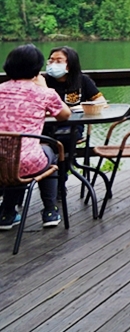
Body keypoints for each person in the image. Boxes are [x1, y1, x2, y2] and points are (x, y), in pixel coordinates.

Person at [0, 45, 72, 230]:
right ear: (37, 68)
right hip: (27, 163)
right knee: (50, 151)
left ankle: (7, 213)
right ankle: (50, 210)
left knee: (10, 158)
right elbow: (65, 115)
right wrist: (45, 87)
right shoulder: (44, 93)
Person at [45, 46, 104, 149]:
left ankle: (66, 163)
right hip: (47, 125)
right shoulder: (43, 82)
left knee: (67, 138)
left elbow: (101, 102)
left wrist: (83, 108)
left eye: (59, 61)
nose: (53, 64)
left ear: (70, 64)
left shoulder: (82, 80)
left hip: (73, 125)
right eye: (51, 61)